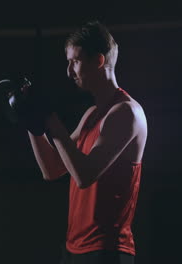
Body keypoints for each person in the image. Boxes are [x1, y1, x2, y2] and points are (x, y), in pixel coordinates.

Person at [28, 21, 147, 263]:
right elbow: (52, 169)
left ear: (99, 61)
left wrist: (50, 118)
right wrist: (34, 124)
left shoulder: (126, 113)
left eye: (75, 62)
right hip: (74, 249)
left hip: (107, 251)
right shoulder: (91, 115)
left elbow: (84, 175)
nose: (69, 72)